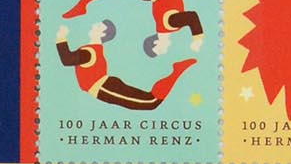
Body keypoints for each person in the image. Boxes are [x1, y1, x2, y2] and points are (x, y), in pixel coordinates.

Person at [60, 0, 205, 61]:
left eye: (159, 51)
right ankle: (82, 5)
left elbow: (192, 17)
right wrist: (196, 39)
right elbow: (191, 17)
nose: (164, 50)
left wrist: (197, 40)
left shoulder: (169, 24)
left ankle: (82, 6)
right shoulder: (169, 26)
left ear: (155, 43)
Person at [55, 21, 197, 111]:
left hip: (104, 87)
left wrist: (61, 37)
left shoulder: (89, 52)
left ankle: (177, 71)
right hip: (106, 86)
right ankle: (176, 71)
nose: (93, 26)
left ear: (103, 34)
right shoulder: (90, 49)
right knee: (150, 101)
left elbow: (67, 59)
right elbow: (70, 59)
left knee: (151, 101)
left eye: (98, 26)